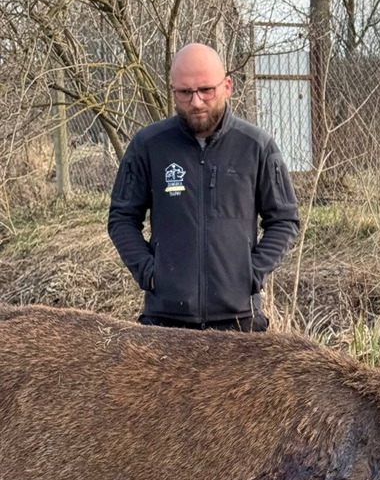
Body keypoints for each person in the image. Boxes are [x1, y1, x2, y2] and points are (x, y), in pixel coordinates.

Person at [108, 43, 300, 331]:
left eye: (205, 90)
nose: (196, 102)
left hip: (238, 322)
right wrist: (150, 273)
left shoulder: (257, 146)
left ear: (227, 86)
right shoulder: (148, 145)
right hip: (166, 323)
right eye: (185, 93)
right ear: (172, 90)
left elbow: (285, 219)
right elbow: (121, 219)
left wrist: (252, 273)